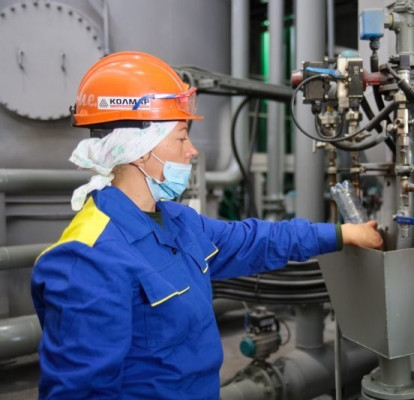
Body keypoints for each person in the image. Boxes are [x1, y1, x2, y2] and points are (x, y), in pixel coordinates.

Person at [30, 51, 383, 399]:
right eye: (181, 137)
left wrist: (343, 233)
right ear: (140, 149)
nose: (192, 150)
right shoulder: (86, 260)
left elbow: (256, 240)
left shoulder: (178, 222)